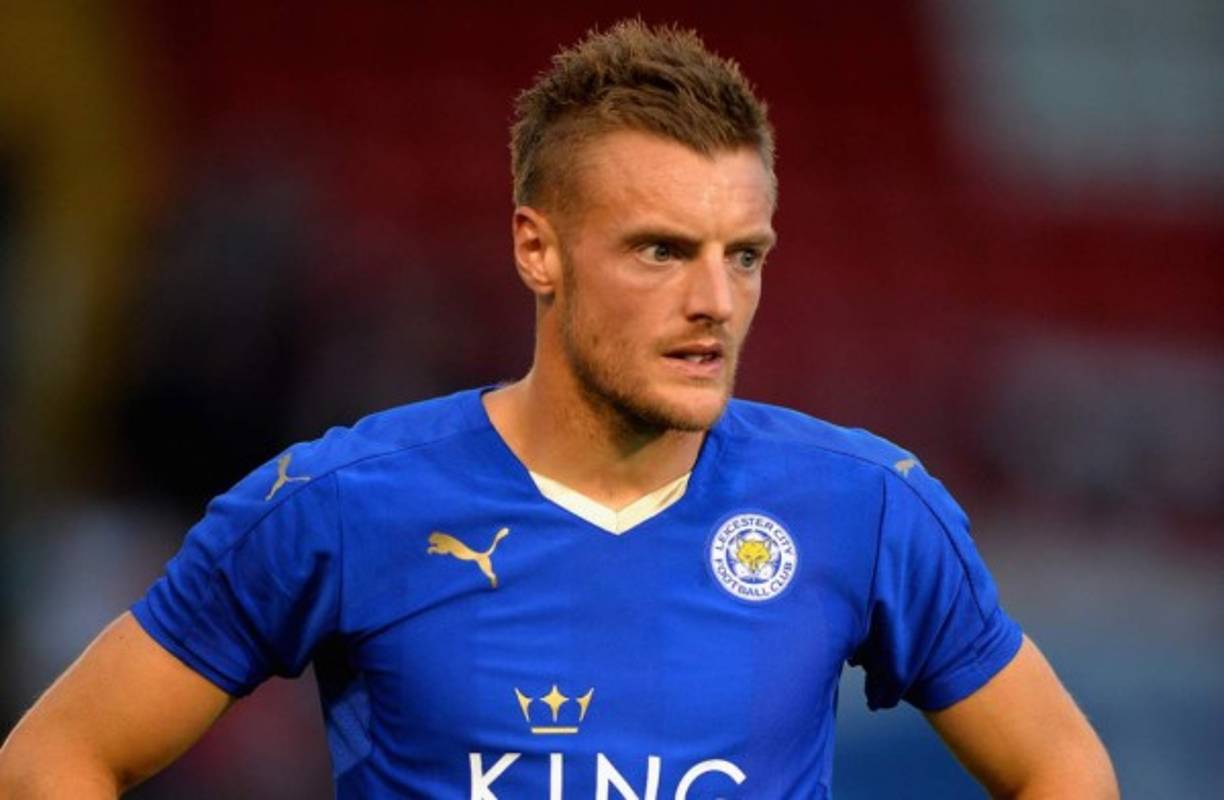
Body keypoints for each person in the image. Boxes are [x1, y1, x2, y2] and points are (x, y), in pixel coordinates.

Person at [0, 20, 1117, 799]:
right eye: (661, 251)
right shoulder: (342, 504)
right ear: (538, 247)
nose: (714, 302)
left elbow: (1063, 767)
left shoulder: (865, 507)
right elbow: (55, 756)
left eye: (745, 255)